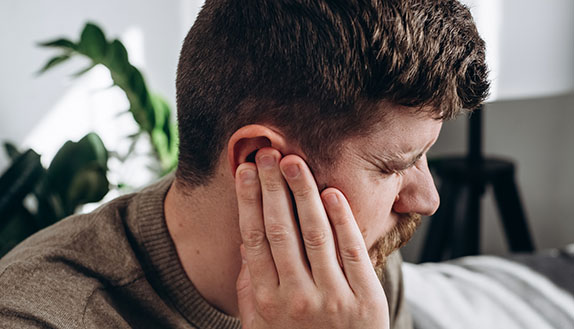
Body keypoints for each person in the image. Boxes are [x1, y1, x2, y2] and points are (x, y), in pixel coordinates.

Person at [0, 0, 489, 328]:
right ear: (260, 161)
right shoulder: (39, 315)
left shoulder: (354, 273)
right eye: (394, 165)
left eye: (424, 156)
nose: (427, 200)